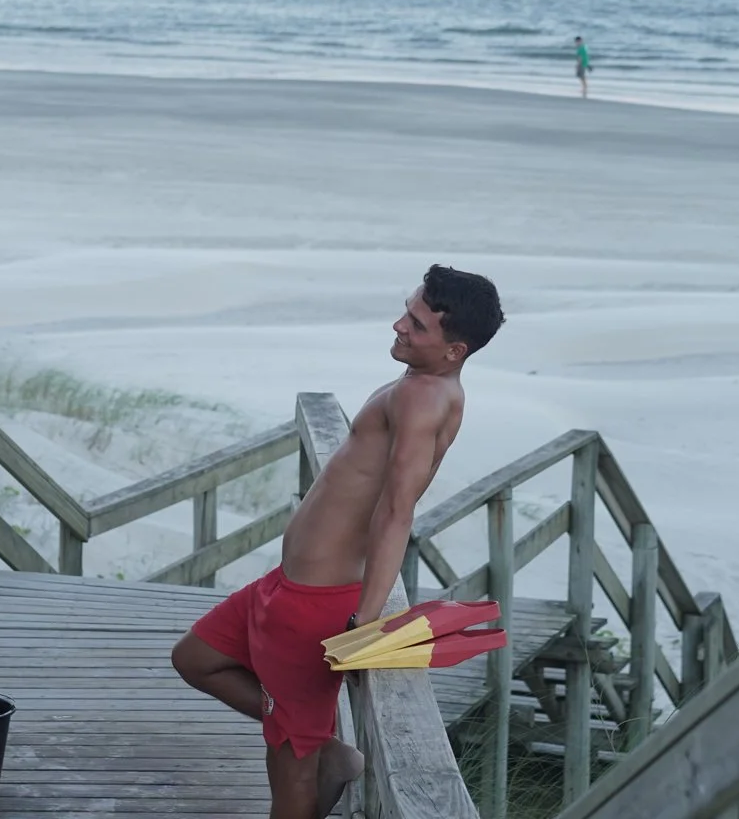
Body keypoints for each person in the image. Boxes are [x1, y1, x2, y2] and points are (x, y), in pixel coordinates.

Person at [171, 265, 505, 819]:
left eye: (417, 324)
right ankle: (323, 744)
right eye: (407, 310)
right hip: (285, 587)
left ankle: (313, 747)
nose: (399, 325)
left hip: (314, 604)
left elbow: (398, 511)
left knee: (291, 789)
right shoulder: (419, 384)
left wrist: (365, 624)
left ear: (455, 350)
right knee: (195, 659)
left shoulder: (424, 399)